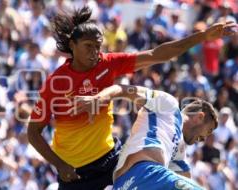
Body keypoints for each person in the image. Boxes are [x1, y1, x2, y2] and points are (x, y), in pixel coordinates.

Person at [27, 6, 237, 190]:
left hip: (112, 161)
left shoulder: (106, 63)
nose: (95, 53)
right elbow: (33, 132)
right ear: (72, 46)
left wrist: (202, 36)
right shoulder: (56, 83)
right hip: (74, 172)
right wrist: (59, 165)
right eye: (88, 46)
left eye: (98, 46)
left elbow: (158, 54)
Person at [71, 84, 218, 190]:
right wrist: (98, 97)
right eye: (209, 130)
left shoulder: (179, 151)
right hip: (143, 172)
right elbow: (124, 90)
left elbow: (185, 177)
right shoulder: (169, 105)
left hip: (125, 185)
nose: (204, 138)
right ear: (199, 117)